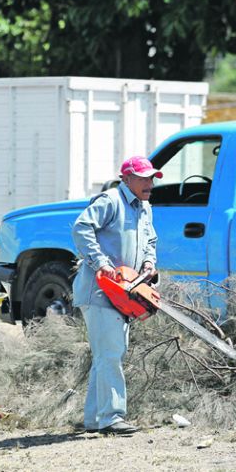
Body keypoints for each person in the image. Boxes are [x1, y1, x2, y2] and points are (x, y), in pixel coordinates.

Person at [71, 155, 162, 435]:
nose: (149, 183)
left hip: (124, 294)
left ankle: (94, 419)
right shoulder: (110, 201)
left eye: (151, 178)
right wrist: (101, 263)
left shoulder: (144, 207)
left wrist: (148, 261)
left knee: (107, 355)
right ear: (127, 179)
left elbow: (150, 240)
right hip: (99, 292)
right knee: (110, 353)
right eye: (144, 178)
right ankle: (112, 417)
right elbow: (81, 228)